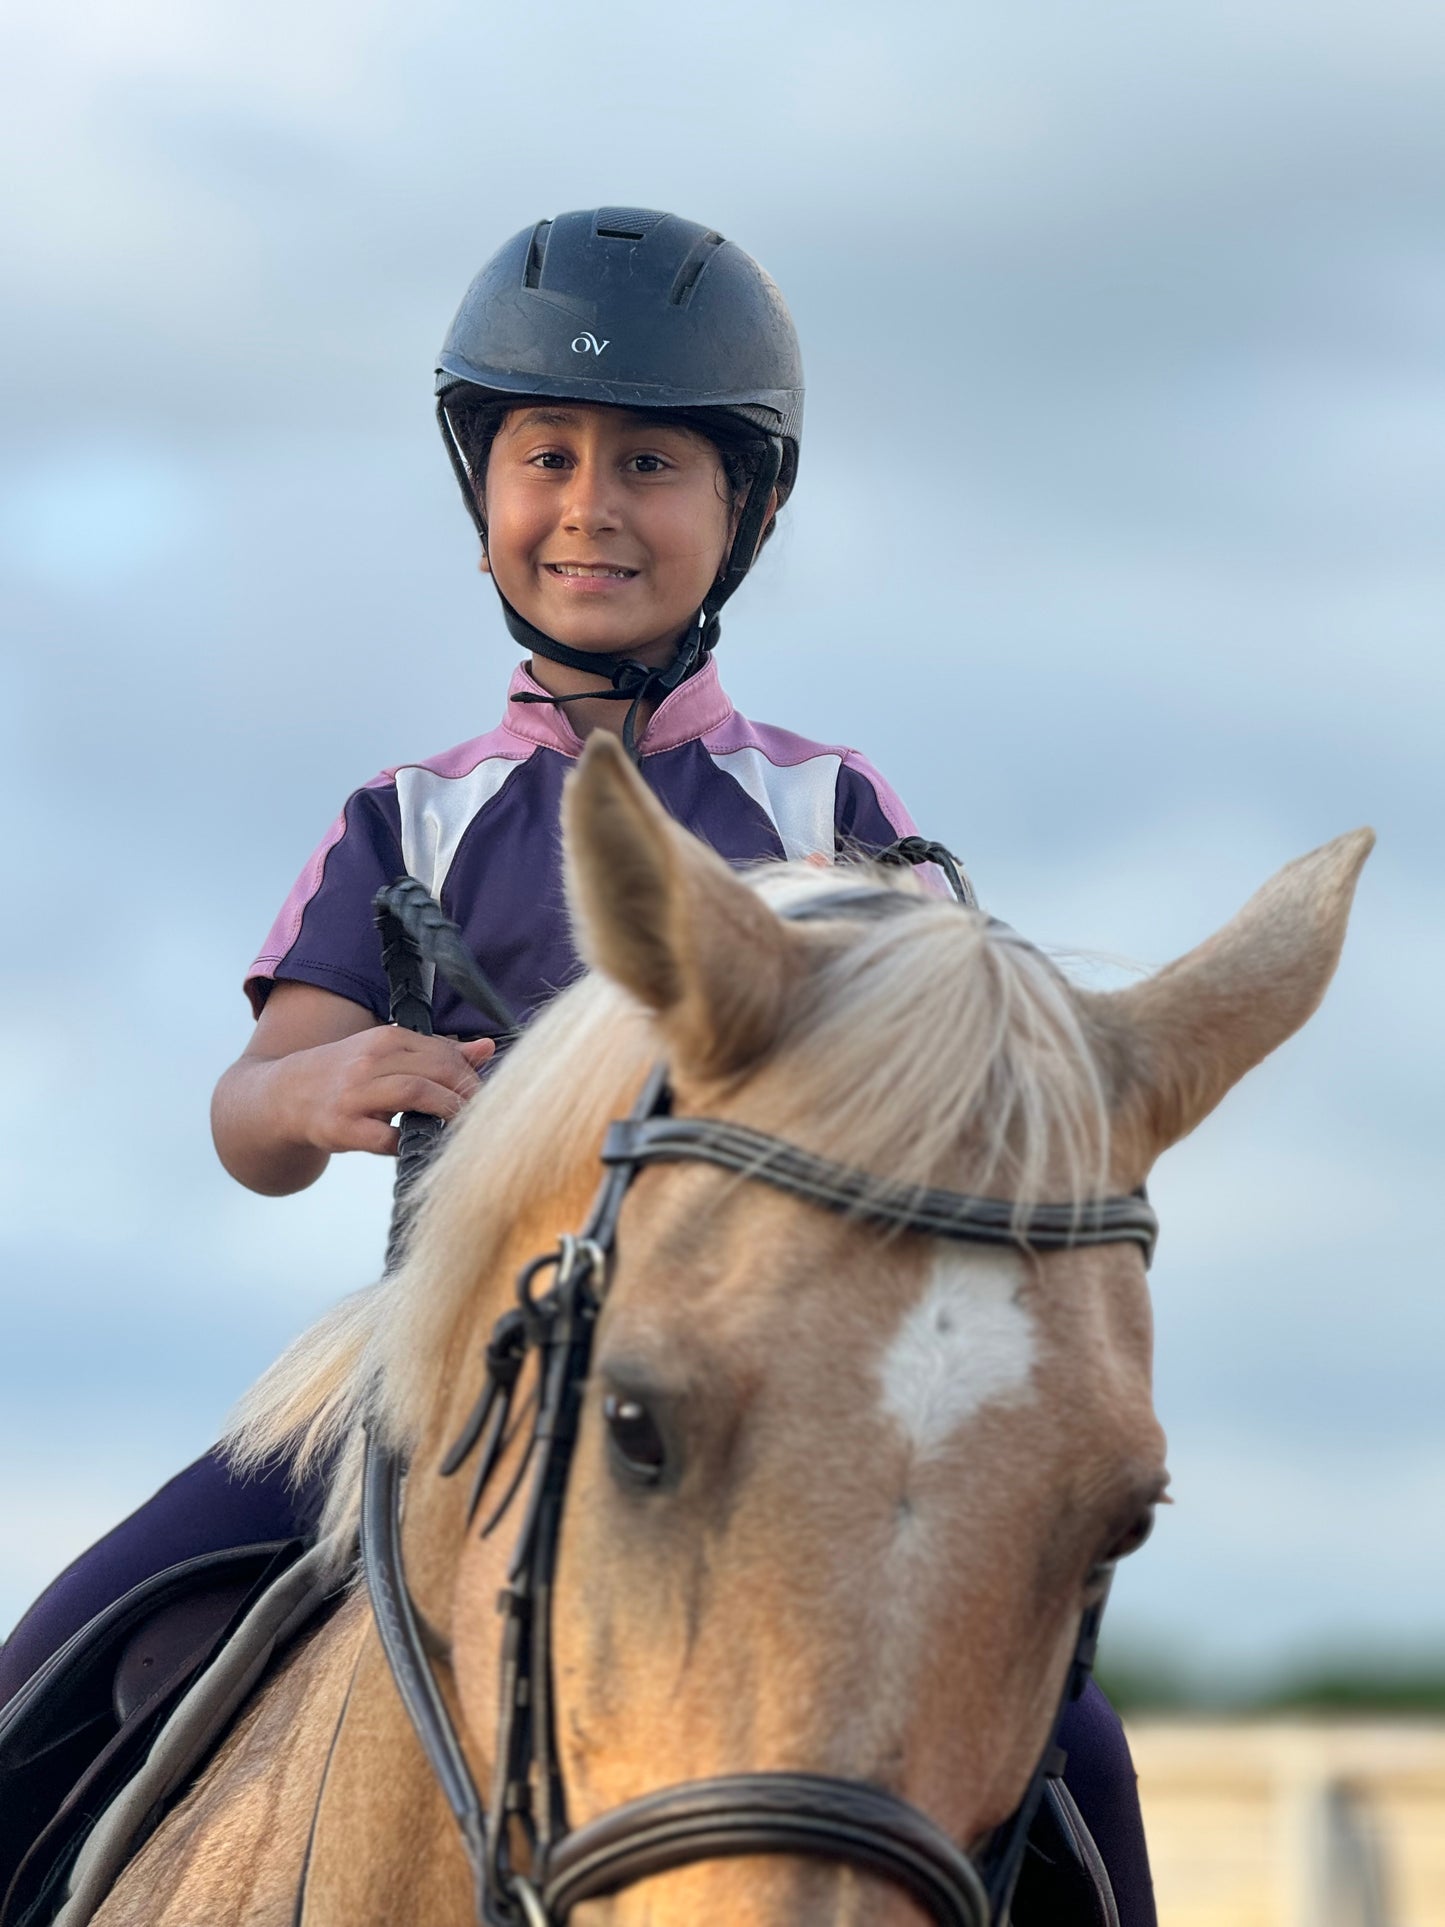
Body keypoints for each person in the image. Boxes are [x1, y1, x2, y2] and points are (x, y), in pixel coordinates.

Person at [0, 209, 1153, 1925]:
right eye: (546, 454)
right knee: (58, 1660)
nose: (591, 504)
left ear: (744, 513)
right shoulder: (410, 815)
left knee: (1074, 1751)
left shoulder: (829, 815)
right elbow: (253, 1106)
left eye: (653, 463)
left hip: (748, 1396)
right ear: (484, 496)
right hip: (417, 1384)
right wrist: (308, 1096)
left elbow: (943, 1059)